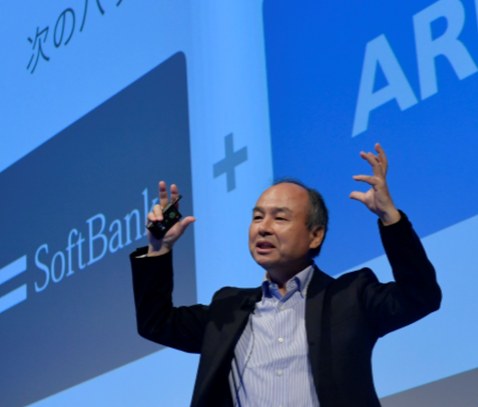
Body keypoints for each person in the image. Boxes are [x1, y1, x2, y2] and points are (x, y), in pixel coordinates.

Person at [130, 144, 442, 407]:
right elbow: (156, 323)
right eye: (257, 217)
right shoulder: (227, 309)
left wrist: (390, 218)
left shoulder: (351, 296)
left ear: (315, 235)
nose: (263, 228)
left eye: (280, 218)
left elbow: (421, 296)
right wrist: (159, 249)